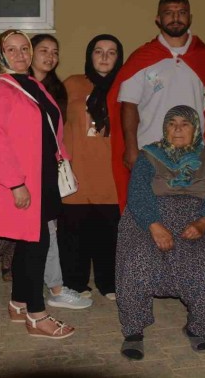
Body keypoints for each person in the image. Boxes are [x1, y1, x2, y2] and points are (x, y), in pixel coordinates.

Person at [0, 29, 75, 339]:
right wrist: (16, 184)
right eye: (11, 49)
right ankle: (37, 315)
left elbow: (50, 126)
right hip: (21, 180)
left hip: (43, 174)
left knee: (28, 243)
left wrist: (62, 156)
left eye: (24, 48)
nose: (20, 55)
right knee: (37, 245)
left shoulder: (32, 84)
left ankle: (18, 303)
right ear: (0, 54)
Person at [116, 106, 205, 360]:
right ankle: (133, 331)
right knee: (137, 260)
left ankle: (199, 327)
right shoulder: (149, 155)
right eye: (172, 123)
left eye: (185, 124)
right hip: (149, 218)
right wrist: (154, 226)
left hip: (196, 221)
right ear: (165, 128)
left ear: (196, 129)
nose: (177, 129)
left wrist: (202, 224)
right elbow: (138, 193)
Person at [108, 0, 205, 211]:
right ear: (158, 19)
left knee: (191, 218)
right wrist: (131, 148)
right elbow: (129, 105)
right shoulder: (142, 58)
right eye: (169, 13)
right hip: (150, 154)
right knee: (150, 218)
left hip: (195, 155)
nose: (175, 18)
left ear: (190, 17)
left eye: (181, 12)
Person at [28, 33, 92, 309]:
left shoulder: (56, 89)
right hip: (24, 169)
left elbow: (58, 132)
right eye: (43, 50)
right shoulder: (16, 85)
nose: (50, 56)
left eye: (55, 52)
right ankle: (50, 288)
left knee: (48, 228)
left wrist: (63, 161)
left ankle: (51, 287)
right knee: (39, 231)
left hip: (47, 167)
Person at [58, 34, 123, 300]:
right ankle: (75, 283)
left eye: (111, 52)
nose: (105, 57)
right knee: (74, 233)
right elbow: (56, 123)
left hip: (110, 173)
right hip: (77, 170)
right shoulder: (72, 84)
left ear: (119, 57)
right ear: (89, 55)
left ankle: (109, 282)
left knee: (110, 233)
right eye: (98, 51)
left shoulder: (126, 87)